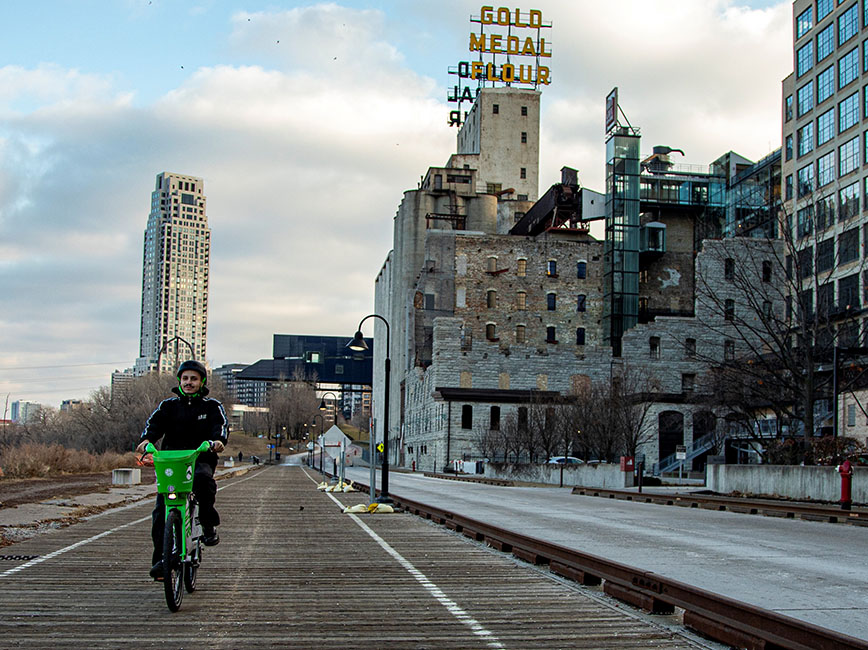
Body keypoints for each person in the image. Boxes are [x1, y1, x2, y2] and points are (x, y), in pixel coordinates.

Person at [136, 359, 229, 580]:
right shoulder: (168, 406)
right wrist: (146, 440)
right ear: (179, 381)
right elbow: (153, 426)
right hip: (171, 463)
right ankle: (161, 562)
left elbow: (221, 426)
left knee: (204, 481)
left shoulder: (212, 406)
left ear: (202, 382)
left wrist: (218, 441)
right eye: (185, 378)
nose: (189, 382)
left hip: (200, 458)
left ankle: (207, 523)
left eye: (193, 379)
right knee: (161, 511)